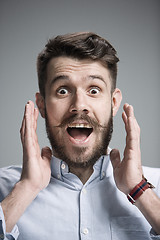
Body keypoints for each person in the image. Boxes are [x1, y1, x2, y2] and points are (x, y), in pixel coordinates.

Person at [0, 32, 160, 240]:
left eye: (94, 90)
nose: (79, 106)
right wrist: (26, 189)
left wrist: (139, 191)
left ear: (113, 102)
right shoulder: (5, 188)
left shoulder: (155, 186)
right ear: (41, 105)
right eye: (63, 91)